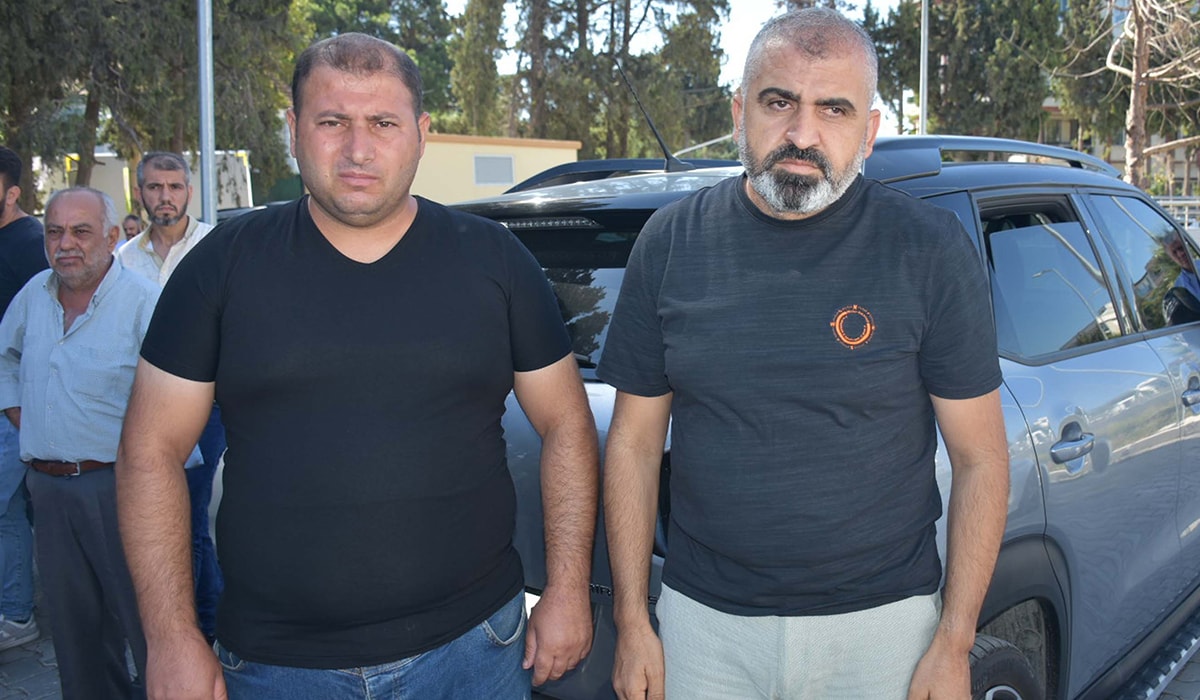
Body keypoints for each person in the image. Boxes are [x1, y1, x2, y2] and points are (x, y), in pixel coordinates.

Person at [116, 32, 598, 700]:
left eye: (383, 123)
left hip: (474, 653)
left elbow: (568, 423)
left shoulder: (496, 260)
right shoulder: (221, 266)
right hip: (276, 668)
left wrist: (569, 588)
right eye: (332, 122)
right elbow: (149, 450)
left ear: (422, 134)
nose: (358, 149)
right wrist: (170, 637)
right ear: (293, 130)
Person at [599, 9, 1009, 700]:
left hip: (884, 631)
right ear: (741, 112)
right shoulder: (669, 244)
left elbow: (981, 460)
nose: (802, 133)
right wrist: (633, 620)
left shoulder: (929, 249)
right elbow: (634, 446)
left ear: (869, 132)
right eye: (779, 101)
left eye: (833, 109)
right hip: (703, 628)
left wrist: (954, 641)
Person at [0, 187, 154, 698]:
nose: (65, 243)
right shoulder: (34, 294)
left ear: (111, 238)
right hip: (48, 489)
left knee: (148, 623)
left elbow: (175, 391)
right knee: (74, 632)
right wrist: (22, 416)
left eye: (80, 231)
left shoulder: (143, 301)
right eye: (54, 232)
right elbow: (4, 357)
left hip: (121, 486)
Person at [117, 151, 223, 644]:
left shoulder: (216, 246)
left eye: (175, 187)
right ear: (140, 192)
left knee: (196, 518)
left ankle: (204, 632)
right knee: (163, 515)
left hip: (210, 404)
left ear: (189, 192)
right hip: (148, 404)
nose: (165, 197)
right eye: (155, 187)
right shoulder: (123, 259)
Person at [0, 146, 47, 652]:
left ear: (12, 191)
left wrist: (17, 410)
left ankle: (16, 613)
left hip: (15, 406)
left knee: (4, 506)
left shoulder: (30, 243)